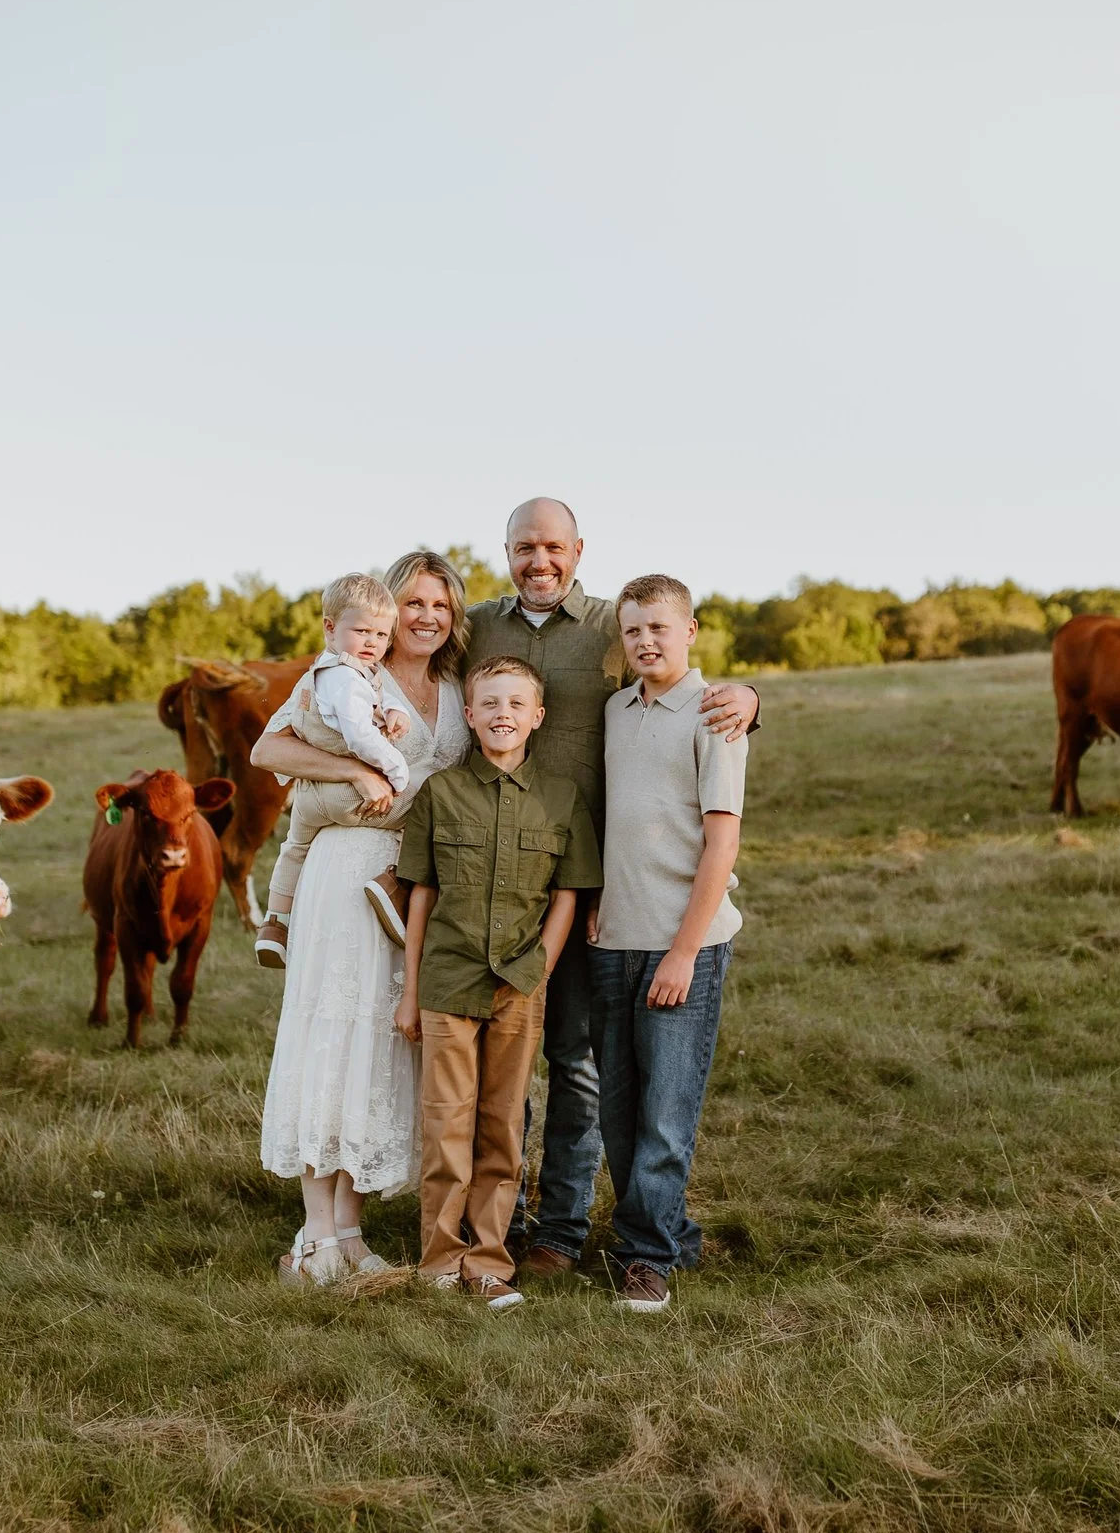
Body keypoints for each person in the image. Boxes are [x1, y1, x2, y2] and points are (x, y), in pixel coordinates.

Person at [254, 500, 759, 1281]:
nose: (540, 561)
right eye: (525, 547)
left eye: (553, 547)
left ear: (577, 550)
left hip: (579, 881)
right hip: (461, 886)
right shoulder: (461, 634)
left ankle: (559, 1228)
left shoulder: (609, 627)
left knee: (577, 1066)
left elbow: (676, 677)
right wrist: (352, 771)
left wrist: (750, 700)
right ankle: (481, 1226)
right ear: (507, 554)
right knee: (468, 1066)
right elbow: (312, 715)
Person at [256, 552, 472, 1286]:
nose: (425, 617)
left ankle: (350, 1230)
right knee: (333, 1030)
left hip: (411, 881)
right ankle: (315, 1234)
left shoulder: (457, 687)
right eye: (413, 602)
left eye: (440, 606)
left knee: (382, 1040)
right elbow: (267, 746)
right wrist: (352, 770)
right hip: (348, 864)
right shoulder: (346, 674)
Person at [393, 657, 600, 1310]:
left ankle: (487, 1262)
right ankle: (439, 1260)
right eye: (490, 703)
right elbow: (420, 895)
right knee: (445, 1126)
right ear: (471, 714)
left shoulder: (561, 798)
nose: (503, 713)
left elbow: (568, 893)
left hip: (520, 987)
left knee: (503, 1126)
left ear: (537, 716)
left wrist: (540, 963)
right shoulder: (440, 795)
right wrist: (409, 989)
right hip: (447, 983)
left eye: (516, 703)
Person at [588, 575, 747, 1314]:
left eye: (659, 627)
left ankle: (646, 1258)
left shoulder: (715, 714)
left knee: (663, 1110)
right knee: (619, 1112)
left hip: (683, 942)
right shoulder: (617, 710)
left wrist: (685, 952)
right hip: (613, 938)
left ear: (690, 631)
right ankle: (671, 1233)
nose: (646, 640)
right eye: (632, 630)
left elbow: (720, 844)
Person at [252, 572, 415, 971]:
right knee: (435, 802)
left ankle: (275, 923)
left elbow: (378, 695)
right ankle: (397, 888)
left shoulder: (334, 671)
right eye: (362, 631)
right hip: (351, 795)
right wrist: (396, 771)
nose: (373, 643)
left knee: (293, 848)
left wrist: (396, 711)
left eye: (381, 635)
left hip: (310, 800)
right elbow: (360, 735)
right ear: (330, 627)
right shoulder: (346, 677)